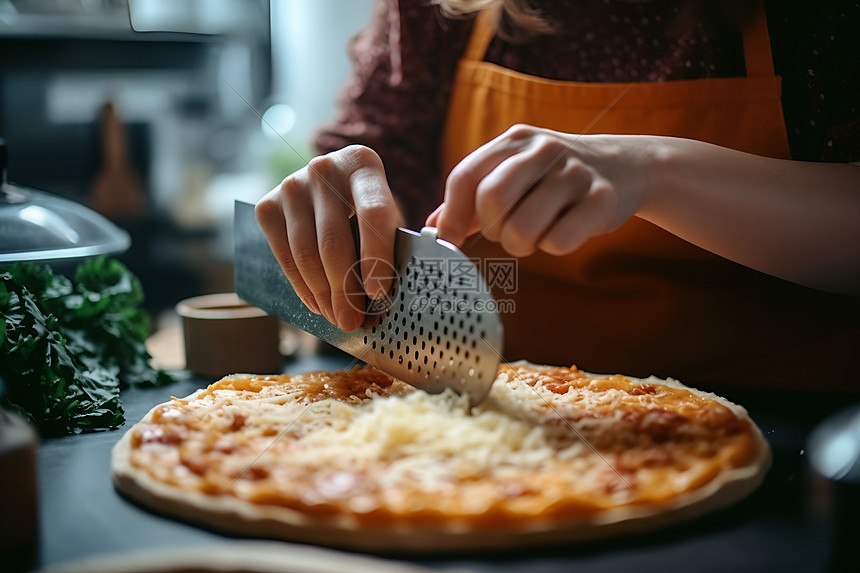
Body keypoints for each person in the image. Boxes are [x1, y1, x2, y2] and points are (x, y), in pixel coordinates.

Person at [256, 0, 860, 390]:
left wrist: (655, 170)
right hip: (489, 420)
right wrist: (332, 205)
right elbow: (378, 171)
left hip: (787, 428)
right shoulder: (441, 10)